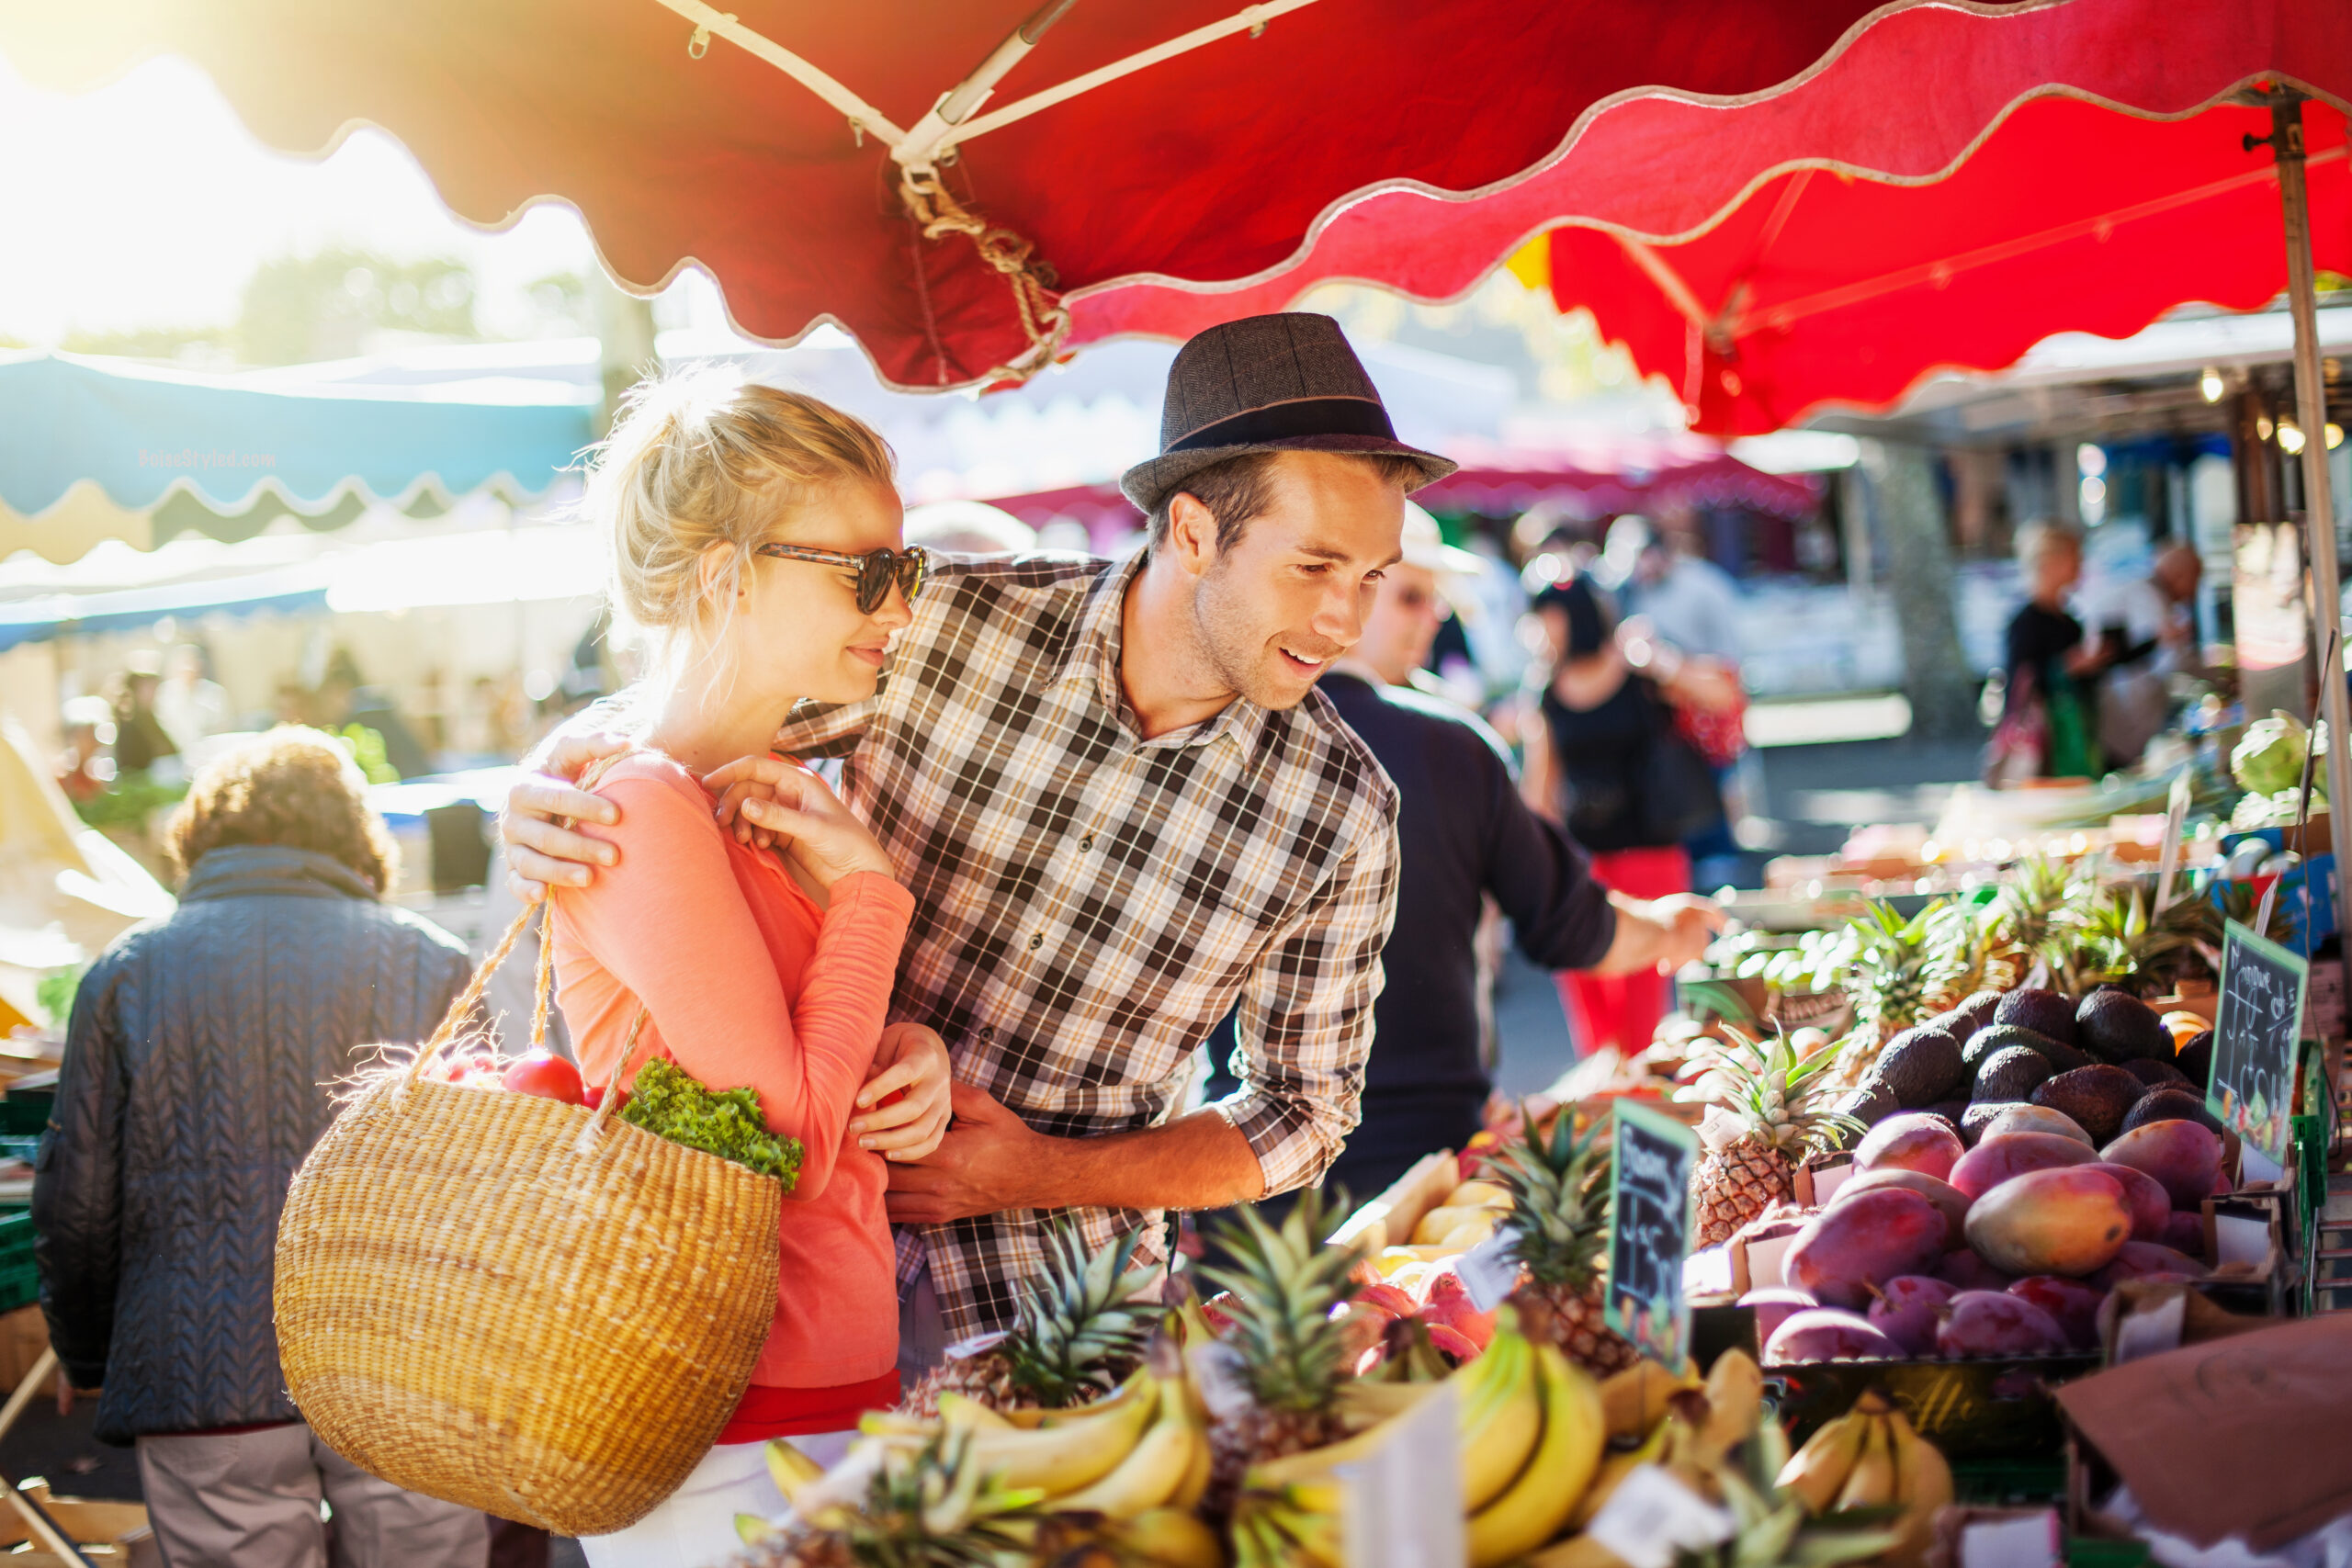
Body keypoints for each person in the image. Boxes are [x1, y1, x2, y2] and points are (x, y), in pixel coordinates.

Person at [503, 311, 1429, 1356]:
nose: (1345, 624)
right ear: (1192, 532)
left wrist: (1037, 1170)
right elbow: (707, 711)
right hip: (785, 1284)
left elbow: (1301, 1116)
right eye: (1313, 569)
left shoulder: (1343, 811)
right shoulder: (941, 621)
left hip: (1061, 1325)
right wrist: (548, 777)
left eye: (1369, 578)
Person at [545, 371, 956, 1566]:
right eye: (865, 571)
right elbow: (785, 1129)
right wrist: (873, 901)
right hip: (734, 1421)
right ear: (723, 572)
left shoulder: (771, 802)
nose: (899, 607)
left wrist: (908, 1054)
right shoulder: (643, 808)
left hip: (819, 1390)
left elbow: (805, 1067)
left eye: (907, 569)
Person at [31, 728, 488, 1568]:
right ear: (356, 838)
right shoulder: (433, 961)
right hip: (403, 1369)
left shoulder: (128, 972)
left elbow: (79, 1201)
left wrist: (87, 1350)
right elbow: (489, 1187)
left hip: (203, 1374)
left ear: (203, 836)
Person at [1266, 507, 1721, 1199]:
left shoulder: (1232, 738)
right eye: (1412, 595)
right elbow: (1569, 923)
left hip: (1251, 1159)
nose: (1433, 618)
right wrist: (1672, 929)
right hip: (1417, 1149)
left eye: (1438, 601)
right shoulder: (1448, 745)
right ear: (1349, 592)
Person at [1523, 573, 1728, 1057]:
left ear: (1574, 617)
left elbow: (1720, 697)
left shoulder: (1640, 671)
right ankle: (1606, 1117)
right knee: (1593, 1019)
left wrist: (1664, 663)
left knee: (1642, 1019)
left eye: (1545, 617)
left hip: (1652, 857)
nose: (1536, 631)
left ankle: (1638, 1113)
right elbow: (1540, 791)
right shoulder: (1547, 691)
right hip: (1584, 864)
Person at [1989, 519, 2106, 783]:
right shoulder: (2025, 622)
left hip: (2076, 736)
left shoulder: (2070, 620)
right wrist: (2064, 666)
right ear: (2051, 563)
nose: (2080, 567)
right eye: (2075, 558)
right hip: (2042, 744)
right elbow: (2019, 684)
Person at [2087, 541, 2203, 765]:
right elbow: (2173, 661)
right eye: (2195, 579)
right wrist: (2215, 675)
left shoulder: (2146, 595)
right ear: (2179, 574)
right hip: (2124, 713)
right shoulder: (2148, 599)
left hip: (2130, 713)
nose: (2196, 589)